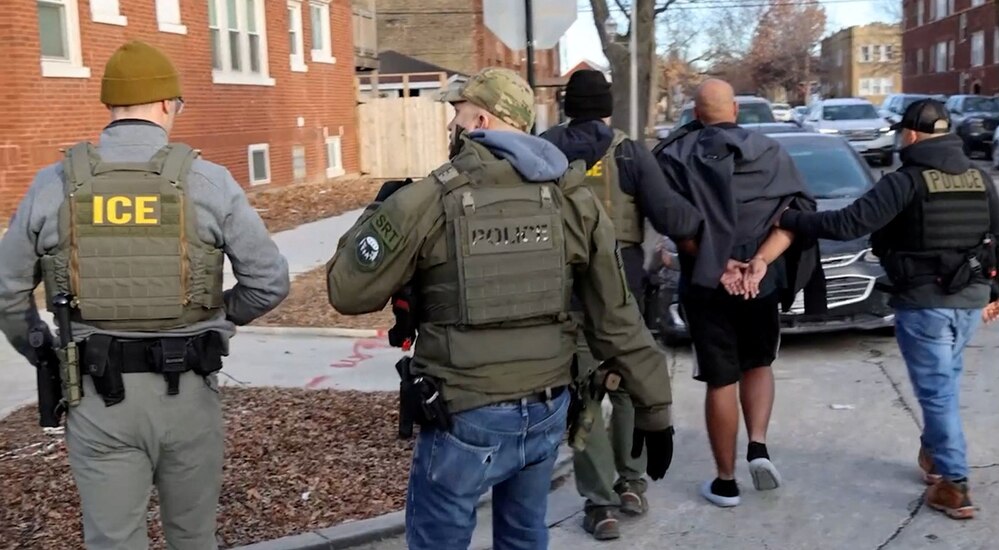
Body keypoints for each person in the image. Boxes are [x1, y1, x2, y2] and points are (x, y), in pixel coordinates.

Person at [325, 67, 675, 550]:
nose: (452, 126)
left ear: (482, 120)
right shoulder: (572, 200)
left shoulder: (429, 197)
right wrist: (655, 411)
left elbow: (347, 292)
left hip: (466, 412)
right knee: (525, 535)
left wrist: (377, 214)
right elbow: (617, 318)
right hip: (548, 406)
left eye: (458, 115)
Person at [0, 41, 290, 549]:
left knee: (113, 540)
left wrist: (46, 353)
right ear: (164, 105)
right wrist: (218, 321)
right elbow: (268, 281)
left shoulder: (54, 184)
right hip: (189, 395)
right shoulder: (208, 182)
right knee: (193, 538)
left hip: (96, 395)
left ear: (111, 107)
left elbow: (7, 293)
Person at [776, 99, 999, 520]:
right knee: (945, 384)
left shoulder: (906, 180)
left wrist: (792, 220)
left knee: (938, 391)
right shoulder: (979, 177)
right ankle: (938, 456)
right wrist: (995, 290)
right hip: (969, 301)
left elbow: (848, 223)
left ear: (911, 135)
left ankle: (954, 485)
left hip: (925, 304)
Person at [540, 69, 702, 540]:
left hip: (564, 290)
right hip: (623, 287)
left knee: (585, 392)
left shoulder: (545, 149)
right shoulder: (629, 151)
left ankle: (600, 505)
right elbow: (671, 215)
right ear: (608, 107)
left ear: (567, 106)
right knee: (628, 384)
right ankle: (632, 482)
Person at [653, 79, 826, 508]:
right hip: (760, 282)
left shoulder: (674, 156)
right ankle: (759, 447)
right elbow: (794, 215)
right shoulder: (770, 153)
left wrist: (719, 261)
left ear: (696, 114)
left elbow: (675, 221)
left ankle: (726, 483)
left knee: (720, 379)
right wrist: (761, 261)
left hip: (708, 283)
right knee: (759, 363)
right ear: (735, 110)